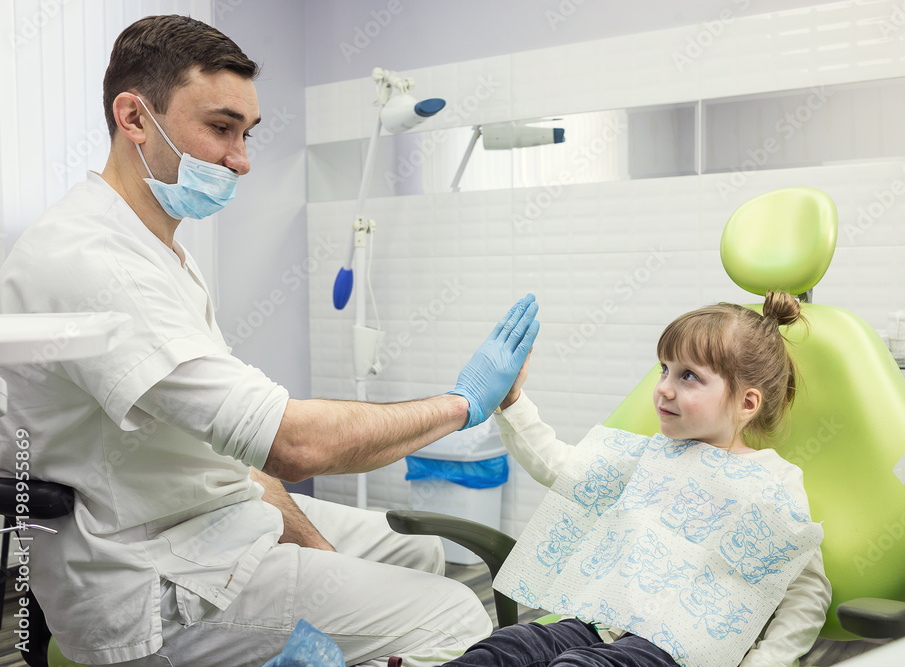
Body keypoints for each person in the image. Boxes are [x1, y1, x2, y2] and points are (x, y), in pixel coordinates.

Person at [0, 15, 539, 667]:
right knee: (448, 611)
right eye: (221, 128)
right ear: (134, 117)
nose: (242, 159)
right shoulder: (94, 261)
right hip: (146, 578)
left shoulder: (160, 250)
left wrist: (310, 543)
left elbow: (237, 445)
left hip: (212, 525)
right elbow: (293, 443)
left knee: (415, 554)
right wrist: (462, 403)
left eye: (247, 134)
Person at [444, 292, 832, 667]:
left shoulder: (770, 481)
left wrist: (767, 662)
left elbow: (805, 591)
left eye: (689, 376)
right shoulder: (653, 455)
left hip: (676, 650)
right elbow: (561, 467)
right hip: (600, 627)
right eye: (665, 369)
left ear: (747, 403)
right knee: (504, 647)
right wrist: (511, 399)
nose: (663, 388)